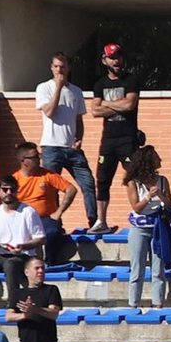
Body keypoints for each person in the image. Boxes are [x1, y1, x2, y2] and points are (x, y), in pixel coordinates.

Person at [35, 52, 100, 233]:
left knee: (87, 183)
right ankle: (55, 224)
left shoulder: (76, 91)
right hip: (51, 146)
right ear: (51, 67)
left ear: (68, 68)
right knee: (51, 188)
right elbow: (49, 112)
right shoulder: (44, 88)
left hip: (71, 148)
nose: (59, 70)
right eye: (56, 66)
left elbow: (78, 120)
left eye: (62, 67)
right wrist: (58, 87)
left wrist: (79, 139)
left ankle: (93, 221)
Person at [88, 43, 141, 234]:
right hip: (108, 139)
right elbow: (94, 110)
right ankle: (101, 221)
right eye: (112, 57)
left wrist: (106, 105)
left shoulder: (131, 80)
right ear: (104, 60)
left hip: (128, 138)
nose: (116, 60)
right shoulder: (100, 84)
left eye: (118, 56)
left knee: (134, 177)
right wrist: (117, 104)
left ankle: (140, 213)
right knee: (102, 179)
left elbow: (129, 105)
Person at [123, 146, 171, 310]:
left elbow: (169, 205)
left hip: (158, 227)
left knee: (158, 268)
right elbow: (136, 207)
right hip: (139, 228)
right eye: (156, 158)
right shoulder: (133, 183)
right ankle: (134, 304)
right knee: (137, 267)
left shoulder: (162, 180)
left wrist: (160, 195)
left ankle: (158, 303)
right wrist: (148, 196)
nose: (160, 160)